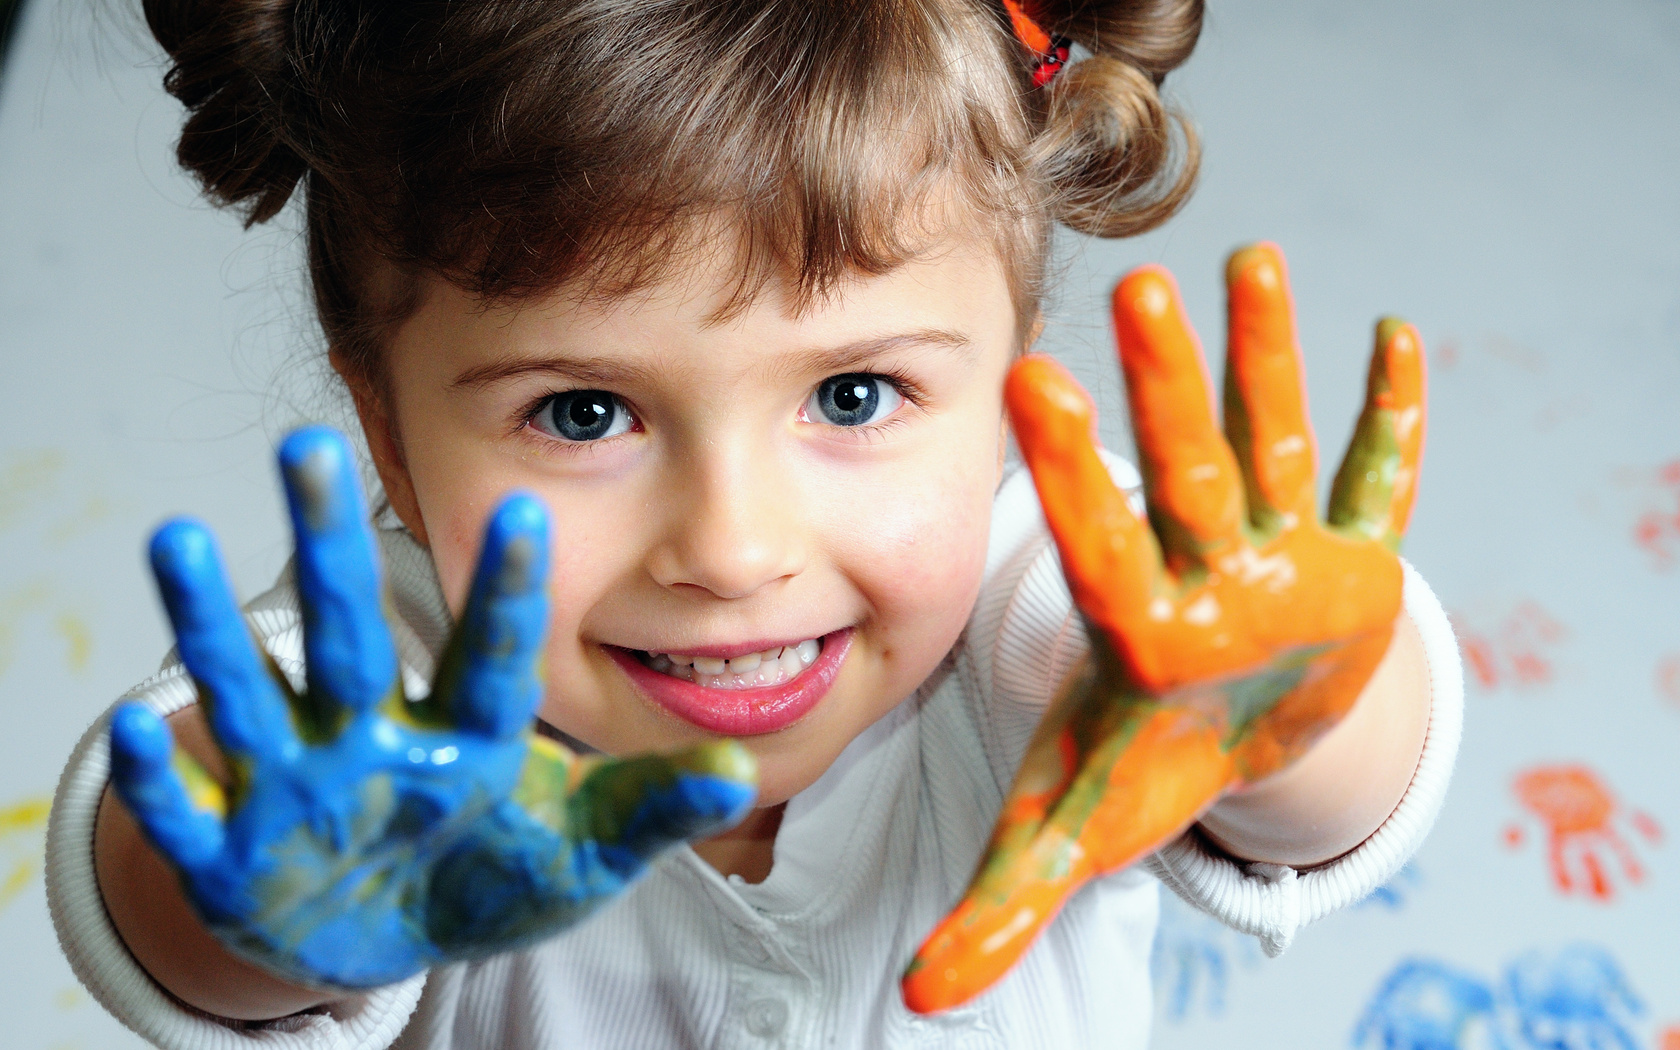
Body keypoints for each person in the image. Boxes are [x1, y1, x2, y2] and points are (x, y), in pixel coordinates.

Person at [45, 1, 1463, 1047]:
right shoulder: (398, 707)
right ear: (387, 434)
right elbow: (164, 856)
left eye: (854, 393)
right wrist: (260, 907)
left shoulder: (1070, 613)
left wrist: (1302, 714)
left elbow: (1324, 784)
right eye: (585, 413)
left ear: (1012, 367)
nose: (730, 548)